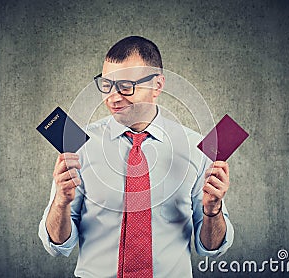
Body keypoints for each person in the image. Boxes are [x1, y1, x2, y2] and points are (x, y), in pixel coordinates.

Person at [39, 36, 234, 277]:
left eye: (125, 86)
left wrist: (212, 210)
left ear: (157, 85)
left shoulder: (197, 149)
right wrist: (61, 203)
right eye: (107, 85)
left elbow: (211, 249)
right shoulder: (79, 147)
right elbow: (59, 247)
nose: (113, 97)